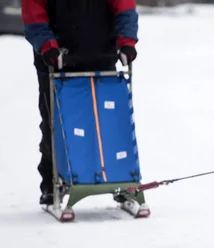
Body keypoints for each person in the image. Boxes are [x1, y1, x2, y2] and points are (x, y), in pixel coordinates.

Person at [21, 0, 139, 205]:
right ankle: (51, 182)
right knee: (55, 121)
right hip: (57, 59)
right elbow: (33, 13)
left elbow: (124, 7)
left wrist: (126, 41)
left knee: (110, 122)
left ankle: (120, 177)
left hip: (102, 54)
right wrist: (47, 46)